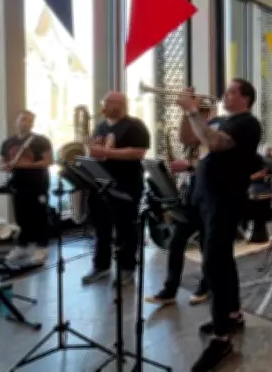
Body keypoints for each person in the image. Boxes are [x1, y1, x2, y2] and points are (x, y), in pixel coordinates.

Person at [177, 79, 262, 371]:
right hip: (206, 197)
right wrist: (186, 112)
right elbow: (189, 139)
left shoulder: (248, 123)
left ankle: (221, 337)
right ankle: (233, 315)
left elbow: (214, 143)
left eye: (231, 91)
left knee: (214, 262)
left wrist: (193, 111)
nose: (225, 93)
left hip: (225, 198)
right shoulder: (222, 120)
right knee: (222, 259)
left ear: (246, 98)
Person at [145, 97, 213, 306]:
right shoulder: (193, 140)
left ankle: (206, 285)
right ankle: (169, 290)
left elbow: (212, 165)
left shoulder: (212, 133)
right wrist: (185, 111)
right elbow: (184, 138)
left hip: (209, 197)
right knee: (176, 243)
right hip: (191, 197)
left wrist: (189, 166)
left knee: (207, 247)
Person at [81, 91, 150, 286]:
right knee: (101, 227)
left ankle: (127, 268)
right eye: (104, 102)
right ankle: (100, 266)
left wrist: (105, 152)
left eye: (108, 102)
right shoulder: (100, 126)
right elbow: (97, 151)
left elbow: (138, 153)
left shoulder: (135, 125)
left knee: (125, 228)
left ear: (120, 104)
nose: (104, 106)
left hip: (126, 184)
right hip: (100, 184)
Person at [0, 110, 53, 266]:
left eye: (30, 120)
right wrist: (5, 166)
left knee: (39, 216)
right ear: (16, 121)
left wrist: (27, 165)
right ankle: (22, 246)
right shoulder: (8, 142)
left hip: (38, 184)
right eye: (23, 119)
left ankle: (42, 247)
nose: (26, 123)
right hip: (17, 184)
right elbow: (2, 162)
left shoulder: (41, 140)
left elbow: (49, 161)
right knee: (21, 216)